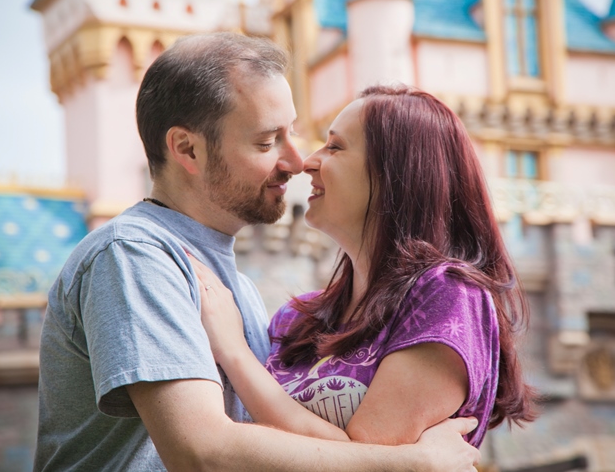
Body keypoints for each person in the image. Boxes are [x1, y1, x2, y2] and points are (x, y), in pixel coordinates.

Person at [33, 33, 481, 471]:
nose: (297, 160)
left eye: (292, 133)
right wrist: (409, 464)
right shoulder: (134, 256)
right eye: (267, 142)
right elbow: (200, 454)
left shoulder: (239, 291)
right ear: (188, 149)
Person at [191, 84, 538, 449]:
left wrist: (233, 351)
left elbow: (366, 458)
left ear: (395, 174)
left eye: (335, 147)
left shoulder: (448, 296)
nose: (307, 162)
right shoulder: (295, 321)